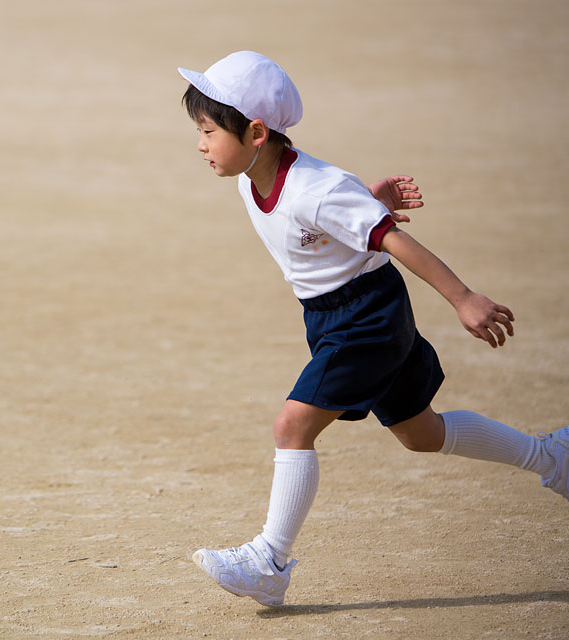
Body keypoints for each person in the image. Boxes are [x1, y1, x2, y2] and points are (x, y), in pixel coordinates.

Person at [177, 51, 568, 607]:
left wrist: (463, 298)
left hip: (365, 319)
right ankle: (553, 457)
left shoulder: (316, 188)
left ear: (256, 133)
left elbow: (394, 241)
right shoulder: (256, 179)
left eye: (209, 131)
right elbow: (329, 225)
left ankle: (269, 561)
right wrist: (363, 208)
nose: (200, 144)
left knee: (292, 426)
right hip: (335, 313)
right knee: (420, 433)